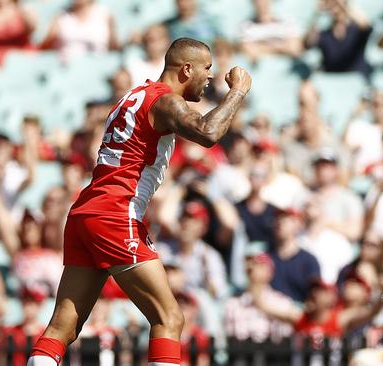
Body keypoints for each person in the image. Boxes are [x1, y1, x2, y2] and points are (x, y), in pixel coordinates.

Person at [28, 38, 251, 366]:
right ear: (186, 69)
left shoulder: (131, 97)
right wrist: (238, 93)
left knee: (63, 326)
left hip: (86, 212)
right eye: (207, 70)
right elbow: (208, 132)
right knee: (169, 318)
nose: (210, 79)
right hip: (116, 213)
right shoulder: (165, 102)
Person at [40, 0, 119, 63]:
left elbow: (115, 48)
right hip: (66, 70)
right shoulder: (60, 16)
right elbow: (43, 47)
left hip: (96, 69)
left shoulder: (104, 14)